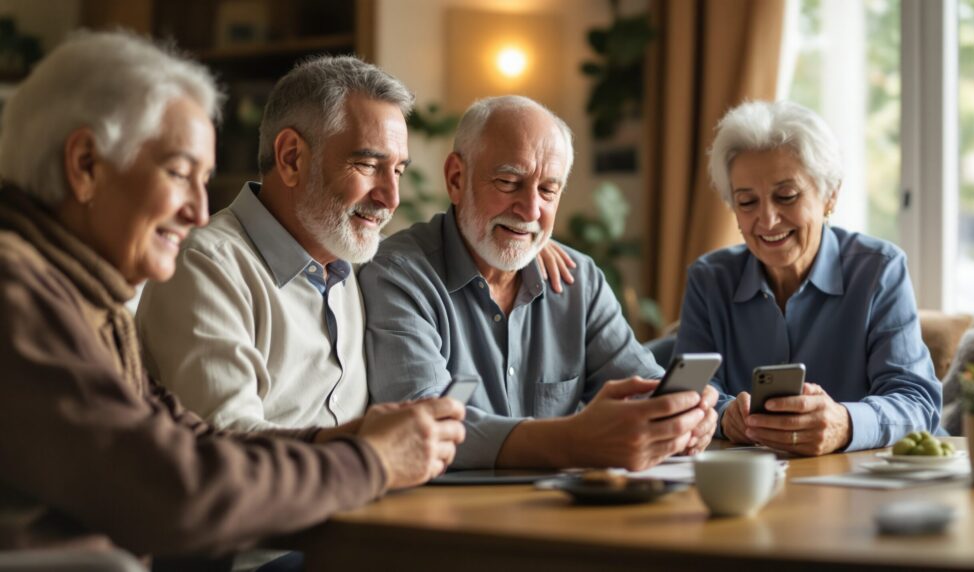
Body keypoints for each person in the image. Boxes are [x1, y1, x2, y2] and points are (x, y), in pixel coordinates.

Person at [0, 30, 465, 557]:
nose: (199, 211)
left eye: (204, 180)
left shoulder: (82, 299)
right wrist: (371, 461)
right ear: (86, 166)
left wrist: (350, 442)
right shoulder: (17, 295)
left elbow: (196, 442)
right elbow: (177, 493)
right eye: (179, 174)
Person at [135, 56, 574, 432]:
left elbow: (447, 252)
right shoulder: (204, 266)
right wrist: (367, 450)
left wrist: (523, 244)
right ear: (291, 158)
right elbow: (226, 445)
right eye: (367, 165)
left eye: (397, 171)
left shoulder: (365, 264)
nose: (390, 198)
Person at [360, 95, 718, 470]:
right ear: (456, 178)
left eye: (548, 190)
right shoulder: (398, 275)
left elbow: (642, 381)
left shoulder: (578, 281)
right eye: (509, 182)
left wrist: (684, 415)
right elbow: (419, 429)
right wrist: (576, 441)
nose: (531, 210)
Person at [673, 100, 941, 456]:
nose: (768, 220)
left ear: (830, 195)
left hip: (861, 477)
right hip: (754, 478)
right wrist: (724, 417)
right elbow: (688, 395)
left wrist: (845, 423)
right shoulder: (709, 279)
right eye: (747, 202)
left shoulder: (880, 269)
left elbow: (917, 402)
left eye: (786, 196)